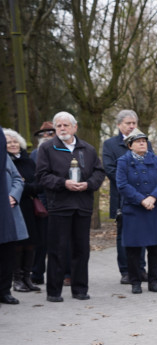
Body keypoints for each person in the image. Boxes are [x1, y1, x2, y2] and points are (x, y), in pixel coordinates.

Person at [35, 112, 105, 301]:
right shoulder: (48, 148)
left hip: (82, 205)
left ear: (75, 127)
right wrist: (63, 183)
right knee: (57, 249)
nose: (62, 129)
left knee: (81, 249)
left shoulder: (87, 149)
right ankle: (54, 292)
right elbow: (41, 175)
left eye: (66, 125)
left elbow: (99, 172)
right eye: (59, 126)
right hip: (60, 205)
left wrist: (89, 184)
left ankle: (80, 289)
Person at [117, 129, 157, 294]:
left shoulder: (156, 160)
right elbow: (122, 185)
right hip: (134, 209)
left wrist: (153, 198)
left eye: (144, 140)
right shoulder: (123, 161)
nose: (142, 143)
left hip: (154, 208)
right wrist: (141, 199)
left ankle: (153, 281)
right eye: (138, 141)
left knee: (155, 247)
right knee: (133, 248)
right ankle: (135, 282)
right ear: (130, 145)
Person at [102, 109, 141, 284]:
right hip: (121, 197)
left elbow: (152, 163)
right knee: (123, 235)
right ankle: (126, 271)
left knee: (142, 233)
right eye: (128, 123)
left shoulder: (143, 141)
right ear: (119, 125)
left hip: (142, 196)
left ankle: (141, 268)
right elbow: (110, 170)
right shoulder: (110, 145)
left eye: (134, 123)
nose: (132, 126)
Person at [6, 129, 42, 293]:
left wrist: (24, 185)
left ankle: (27, 277)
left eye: (15, 141)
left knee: (31, 242)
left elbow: (39, 186)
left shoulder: (28, 161)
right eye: (9, 142)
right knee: (18, 243)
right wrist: (24, 185)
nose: (13, 145)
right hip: (12, 206)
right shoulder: (6, 162)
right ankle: (17, 279)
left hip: (29, 207)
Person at [0, 132, 28, 305]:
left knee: (8, 252)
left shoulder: (5, 158)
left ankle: (4, 291)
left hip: (9, 210)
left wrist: (13, 196)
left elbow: (18, 179)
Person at [29, 122, 56, 286]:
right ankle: (37, 273)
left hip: (60, 200)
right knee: (40, 241)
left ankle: (64, 273)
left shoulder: (62, 152)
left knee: (61, 241)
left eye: (50, 133)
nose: (46, 136)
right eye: (43, 134)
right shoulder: (34, 154)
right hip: (41, 200)